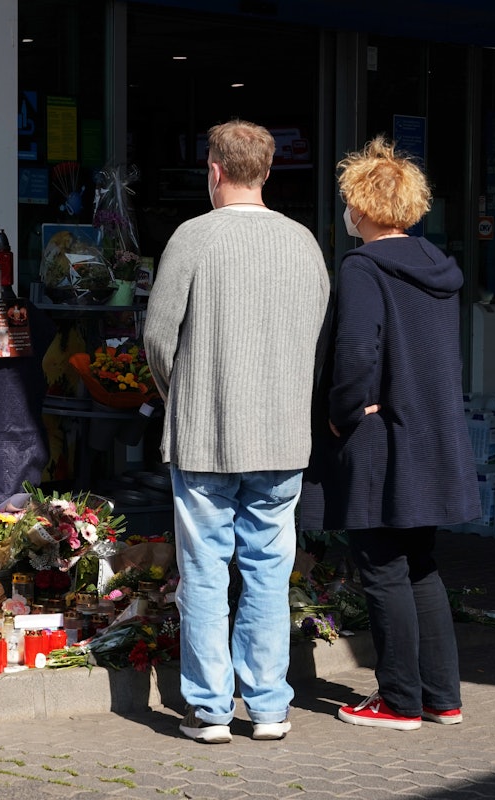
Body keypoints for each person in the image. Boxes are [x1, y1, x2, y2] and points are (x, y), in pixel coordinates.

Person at [144, 120, 330, 743]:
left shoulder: (194, 237)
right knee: (269, 573)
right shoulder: (304, 241)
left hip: (206, 434)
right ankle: (271, 706)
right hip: (281, 434)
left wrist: (182, 396)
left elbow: (158, 339)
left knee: (204, 572)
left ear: (214, 171)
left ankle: (209, 709)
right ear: (267, 172)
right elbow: (316, 338)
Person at [306, 136, 480, 730]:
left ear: (363, 207)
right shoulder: (437, 269)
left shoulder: (363, 267)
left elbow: (356, 350)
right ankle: (443, 697)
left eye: (350, 202)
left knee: (380, 565)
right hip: (432, 434)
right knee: (420, 563)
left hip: (381, 438)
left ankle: (400, 700)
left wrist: (344, 412)